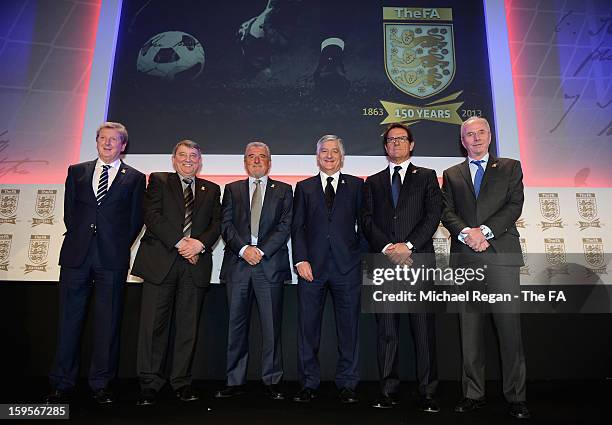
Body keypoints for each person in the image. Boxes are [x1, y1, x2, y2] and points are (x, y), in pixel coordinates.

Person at [45, 122, 145, 404]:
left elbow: (136, 219)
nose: (108, 143)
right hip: (77, 256)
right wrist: (83, 238)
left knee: (107, 323)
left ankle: (101, 383)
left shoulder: (136, 178)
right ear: (97, 141)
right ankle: (61, 382)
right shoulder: (77, 171)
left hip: (111, 259)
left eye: (114, 140)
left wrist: (115, 245)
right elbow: (70, 213)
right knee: (68, 320)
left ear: (123, 145)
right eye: (103, 138)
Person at [441, 116, 529, 419]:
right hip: (466, 258)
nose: (475, 138)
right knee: (470, 330)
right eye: (469, 135)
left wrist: (485, 232)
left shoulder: (510, 167)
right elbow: (446, 212)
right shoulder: (451, 173)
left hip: (501, 256)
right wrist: (467, 234)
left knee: (509, 330)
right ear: (462, 140)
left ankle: (516, 397)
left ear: (489, 136)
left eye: (480, 133)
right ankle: (472, 393)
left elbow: (514, 205)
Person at [132, 140, 221, 406]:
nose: (188, 160)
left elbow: (217, 223)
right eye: (182, 155)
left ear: (200, 161)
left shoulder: (212, 189)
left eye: (193, 156)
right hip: (162, 263)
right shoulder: (159, 180)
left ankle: (181, 382)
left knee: (187, 328)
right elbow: (152, 216)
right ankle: (150, 384)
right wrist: (182, 243)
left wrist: (200, 244)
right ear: (173, 160)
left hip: (195, 265)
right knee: (153, 328)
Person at [361, 122, 441, 412]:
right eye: (390, 140)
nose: (395, 144)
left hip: (417, 260)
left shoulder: (428, 177)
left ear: (412, 144)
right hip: (383, 262)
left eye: (401, 139)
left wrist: (408, 246)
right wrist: (387, 249)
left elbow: (433, 216)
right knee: (387, 330)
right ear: (385, 147)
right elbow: (367, 221)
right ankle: (387, 390)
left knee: (423, 329)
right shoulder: (373, 181)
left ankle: (428, 392)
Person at [291, 135, 365, 403]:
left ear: (342, 156)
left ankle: (348, 383)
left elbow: (364, 226)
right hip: (312, 269)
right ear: (317, 156)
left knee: (349, 330)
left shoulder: (357, 186)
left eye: (335, 151)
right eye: (325, 151)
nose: (330, 156)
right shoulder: (304, 187)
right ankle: (308, 383)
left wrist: (360, 259)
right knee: (308, 328)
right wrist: (300, 260)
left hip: (348, 269)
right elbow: (297, 227)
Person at [216, 141, 292, 400]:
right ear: (245, 161)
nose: (257, 160)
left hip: (269, 266)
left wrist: (260, 251)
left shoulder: (284, 190)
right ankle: (234, 380)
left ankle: (272, 379)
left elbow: (285, 225)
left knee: (272, 327)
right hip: (238, 266)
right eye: (251, 156)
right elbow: (225, 225)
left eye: (262, 157)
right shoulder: (232, 189)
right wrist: (243, 249)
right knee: (236, 327)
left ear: (269, 162)